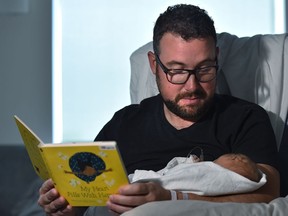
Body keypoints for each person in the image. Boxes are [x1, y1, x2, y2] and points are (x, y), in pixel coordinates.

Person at [38, 4, 280, 216]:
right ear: (154, 64)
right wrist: (67, 207)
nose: (192, 86)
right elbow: (87, 194)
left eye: (205, 68)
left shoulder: (246, 119)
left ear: (217, 58)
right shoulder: (124, 124)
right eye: (176, 71)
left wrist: (172, 199)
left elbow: (269, 193)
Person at [129, 153, 266, 197]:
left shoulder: (211, 175)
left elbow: (187, 178)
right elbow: (177, 169)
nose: (239, 158)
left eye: (239, 160)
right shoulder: (123, 119)